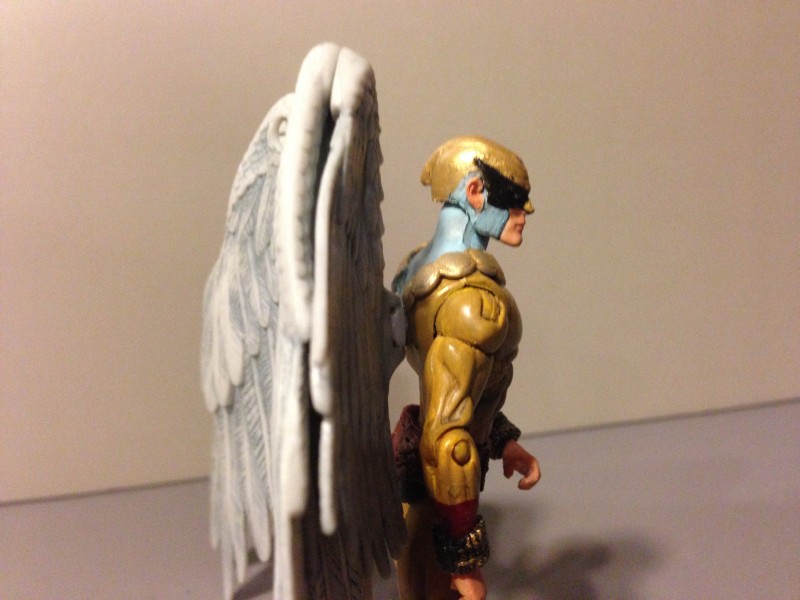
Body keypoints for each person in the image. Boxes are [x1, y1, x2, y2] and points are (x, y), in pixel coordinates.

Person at [392, 136, 541, 600]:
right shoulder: (471, 302)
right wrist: (464, 558)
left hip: (424, 486)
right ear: (475, 192)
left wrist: (503, 440)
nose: (525, 211)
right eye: (513, 198)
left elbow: (455, 391)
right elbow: (448, 440)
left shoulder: (416, 269)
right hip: (442, 501)